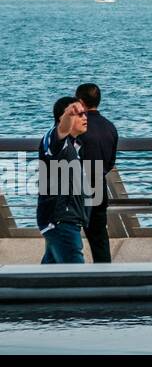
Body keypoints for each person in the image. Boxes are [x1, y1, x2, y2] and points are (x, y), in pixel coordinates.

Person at [37, 98, 90, 264]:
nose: (84, 117)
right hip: (61, 222)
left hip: (64, 221)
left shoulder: (73, 146)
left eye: (84, 113)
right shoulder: (56, 140)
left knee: (48, 279)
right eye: (79, 114)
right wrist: (69, 113)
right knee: (76, 279)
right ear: (63, 117)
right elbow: (62, 130)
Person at [74, 82, 118, 263]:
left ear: (80, 101)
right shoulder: (110, 127)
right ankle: (106, 277)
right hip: (99, 183)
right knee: (99, 237)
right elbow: (110, 162)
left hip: (77, 185)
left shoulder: (78, 126)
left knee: (69, 233)